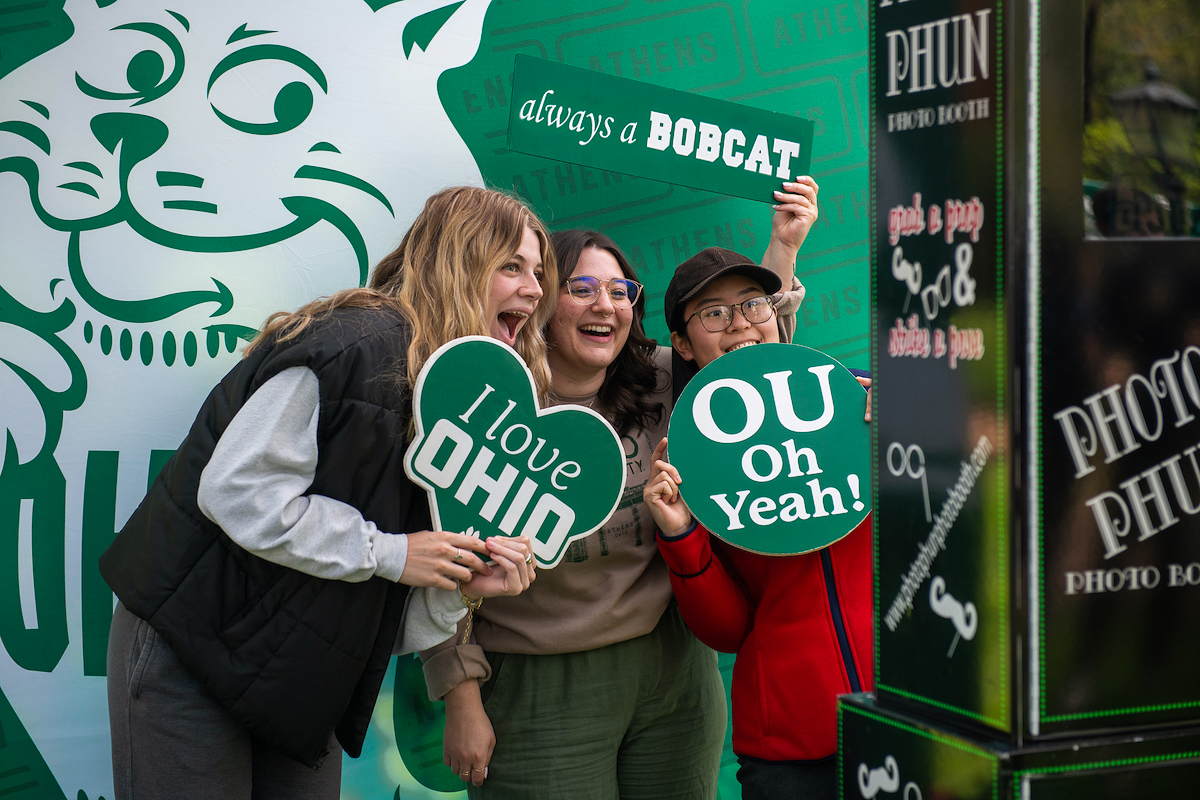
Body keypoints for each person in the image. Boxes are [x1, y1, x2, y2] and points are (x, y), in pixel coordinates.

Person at [99, 186, 551, 800]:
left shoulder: (462, 402)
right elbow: (235, 491)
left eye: (539, 272)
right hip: (193, 644)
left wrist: (456, 593)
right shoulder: (354, 345)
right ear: (458, 262)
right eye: (512, 266)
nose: (535, 290)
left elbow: (390, 608)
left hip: (299, 677)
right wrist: (391, 553)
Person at [421, 178, 821, 799]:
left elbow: (755, 367)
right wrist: (460, 696)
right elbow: (442, 554)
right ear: (539, 303)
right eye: (579, 289)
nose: (603, 304)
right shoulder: (488, 399)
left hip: (673, 671)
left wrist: (784, 248)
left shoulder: (667, 378)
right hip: (537, 681)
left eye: (618, 290)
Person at [642, 246, 874, 800]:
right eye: (714, 313)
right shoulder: (690, 461)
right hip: (788, 749)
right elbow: (726, 631)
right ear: (681, 343)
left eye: (754, 304)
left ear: (776, 312)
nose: (741, 323)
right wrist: (680, 535)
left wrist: (917, 446)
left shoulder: (861, 397)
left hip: (919, 710)